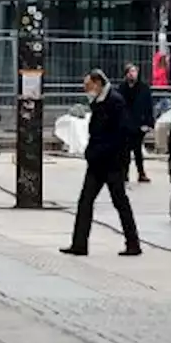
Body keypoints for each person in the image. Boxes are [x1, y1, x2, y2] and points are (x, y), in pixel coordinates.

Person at [61, 70, 142, 257]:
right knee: (85, 202)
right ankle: (79, 244)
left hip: (112, 163)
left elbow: (119, 134)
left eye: (88, 86)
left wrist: (101, 152)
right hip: (97, 163)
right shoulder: (100, 102)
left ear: (97, 83)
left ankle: (133, 243)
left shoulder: (114, 102)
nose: (86, 90)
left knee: (120, 202)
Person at [119, 63, 153, 184]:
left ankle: (141, 173)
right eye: (130, 72)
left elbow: (149, 106)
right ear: (126, 74)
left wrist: (149, 123)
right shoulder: (122, 88)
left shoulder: (143, 88)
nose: (132, 74)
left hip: (139, 124)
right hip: (125, 124)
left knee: (138, 150)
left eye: (134, 71)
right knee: (125, 151)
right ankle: (125, 173)